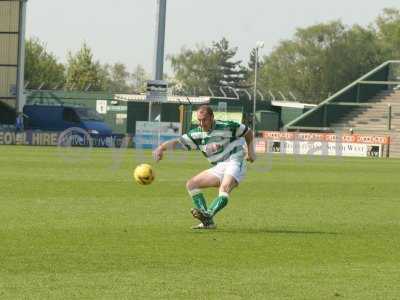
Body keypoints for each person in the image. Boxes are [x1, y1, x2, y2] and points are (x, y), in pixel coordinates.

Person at [153, 105, 256, 229]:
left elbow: (248, 132)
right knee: (191, 184)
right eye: (199, 120)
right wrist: (161, 148)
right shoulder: (196, 134)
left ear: (212, 117)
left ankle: (208, 214)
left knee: (224, 188)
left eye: (205, 119)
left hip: (235, 160)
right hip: (219, 165)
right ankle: (208, 221)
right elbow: (178, 142)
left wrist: (251, 151)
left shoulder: (227, 126)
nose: (202, 123)